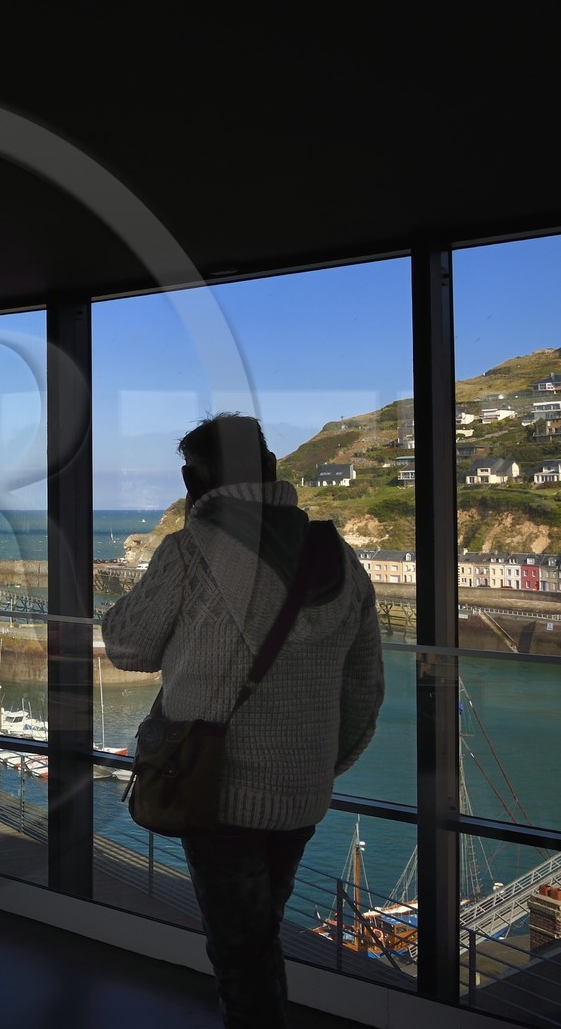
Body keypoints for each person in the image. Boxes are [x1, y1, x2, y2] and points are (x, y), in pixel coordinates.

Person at [102, 412, 385, 1028]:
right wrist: (319, 763)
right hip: (303, 789)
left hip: (215, 786)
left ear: (191, 480)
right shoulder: (336, 553)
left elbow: (128, 647)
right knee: (261, 927)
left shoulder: (190, 549)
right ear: (272, 469)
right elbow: (364, 687)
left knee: (239, 947)